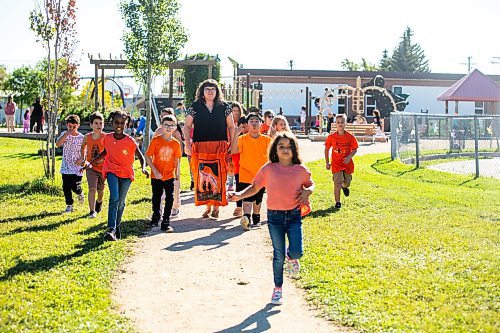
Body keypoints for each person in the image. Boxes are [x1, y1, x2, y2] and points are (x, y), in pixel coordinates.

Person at [228, 132, 314, 305]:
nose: (285, 150)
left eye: (289, 147)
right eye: (281, 146)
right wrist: (239, 195)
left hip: (293, 216)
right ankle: (278, 289)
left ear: (294, 150)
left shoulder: (300, 169)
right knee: (278, 254)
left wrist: (308, 191)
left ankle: (293, 256)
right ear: (275, 149)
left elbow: (311, 183)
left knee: (297, 251)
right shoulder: (268, 168)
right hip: (274, 217)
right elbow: (255, 187)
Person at [82, 110, 149, 241]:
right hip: (111, 170)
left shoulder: (130, 141)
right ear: (112, 123)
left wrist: (143, 168)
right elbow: (105, 152)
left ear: (126, 124)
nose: (119, 125)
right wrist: (90, 163)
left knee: (121, 202)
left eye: (122, 123)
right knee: (114, 197)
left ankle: (117, 226)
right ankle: (111, 229)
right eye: (116, 122)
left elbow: (141, 156)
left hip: (126, 174)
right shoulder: (107, 138)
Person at [183, 79, 236, 219]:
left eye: (213, 89)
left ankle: (216, 207)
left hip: (220, 146)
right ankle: (207, 206)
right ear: (202, 91)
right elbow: (187, 126)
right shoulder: (195, 106)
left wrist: (233, 144)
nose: (210, 91)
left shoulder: (225, 106)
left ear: (217, 91)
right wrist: (187, 144)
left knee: (220, 175)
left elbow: (231, 126)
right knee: (203, 176)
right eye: (207, 89)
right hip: (200, 146)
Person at [231, 112, 272, 230]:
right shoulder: (242, 139)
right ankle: (246, 217)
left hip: (261, 175)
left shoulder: (266, 140)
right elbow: (233, 151)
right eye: (251, 121)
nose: (254, 124)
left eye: (256, 121)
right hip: (245, 173)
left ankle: (256, 216)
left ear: (261, 124)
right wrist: (236, 135)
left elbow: (273, 156)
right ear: (247, 125)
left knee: (258, 198)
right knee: (247, 197)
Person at [145, 115, 182, 233]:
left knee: (170, 198)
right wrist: (154, 171)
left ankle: (166, 221)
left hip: (169, 175)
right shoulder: (156, 140)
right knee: (156, 196)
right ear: (161, 126)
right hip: (156, 175)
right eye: (166, 125)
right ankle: (156, 216)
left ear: (175, 128)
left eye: (171, 125)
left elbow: (177, 159)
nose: (168, 127)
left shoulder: (176, 144)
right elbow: (147, 155)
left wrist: (176, 173)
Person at [324, 113, 358, 209]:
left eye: (342, 122)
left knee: (347, 182)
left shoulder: (350, 137)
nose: (340, 124)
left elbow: (355, 149)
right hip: (336, 163)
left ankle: (345, 187)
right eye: (338, 122)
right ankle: (337, 202)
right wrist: (327, 162)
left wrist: (349, 157)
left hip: (347, 163)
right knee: (337, 183)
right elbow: (326, 149)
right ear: (335, 124)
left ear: (345, 123)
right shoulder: (331, 137)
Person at [76, 111, 106, 218]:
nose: (98, 125)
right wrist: (83, 158)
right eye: (96, 123)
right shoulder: (87, 137)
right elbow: (83, 147)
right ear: (91, 125)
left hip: (103, 168)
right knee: (92, 188)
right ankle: (92, 211)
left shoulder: (105, 137)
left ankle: (99, 201)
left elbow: (108, 151)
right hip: (90, 167)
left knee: (101, 190)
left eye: (100, 123)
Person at [56, 114, 85, 213]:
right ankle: (69, 205)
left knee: (75, 186)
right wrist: (66, 134)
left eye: (74, 127)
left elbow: (85, 151)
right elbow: (58, 144)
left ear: (78, 126)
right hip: (66, 166)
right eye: (69, 127)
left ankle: (79, 192)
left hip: (77, 167)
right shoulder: (65, 134)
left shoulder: (81, 137)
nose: (72, 129)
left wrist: (81, 158)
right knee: (66, 187)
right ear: (67, 126)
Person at [231, 116, 248, 217]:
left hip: (249, 166)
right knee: (238, 185)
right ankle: (238, 206)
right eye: (242, 127)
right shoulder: (238, 137)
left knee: (248, 186)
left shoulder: (251, 137)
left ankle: (247, 205)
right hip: (238, 166)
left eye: (245, 127)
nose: (244, 129)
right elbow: (233, 150)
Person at [227, 102, 245, 191]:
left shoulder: (242, 120)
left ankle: (239, 182)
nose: (235, 112)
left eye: (237, 110)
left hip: (240, 144)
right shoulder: (228, 120)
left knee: (238, 164)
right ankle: (230, 183)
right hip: (230, 144)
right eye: (233, 110)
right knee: (230, 165)